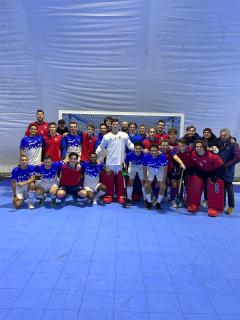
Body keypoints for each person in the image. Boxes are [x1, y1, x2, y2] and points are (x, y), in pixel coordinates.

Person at [96, 118, 134, 204]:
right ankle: (109, 195)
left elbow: (130, 145)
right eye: (114, 124)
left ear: (119, 125)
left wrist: (139, 149)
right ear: (111, 125)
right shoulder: (106, 136)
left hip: (122, 163)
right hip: (110, 163)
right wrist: (95, 154)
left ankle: (121, 195)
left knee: (123, 179)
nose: (115, 126)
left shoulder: (124, 135)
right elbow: (101, 147)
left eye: (117, 124)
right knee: (109, 180)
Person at [187, 140, 225, 214]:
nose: (198, 148)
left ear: (204, 147)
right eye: (197, 147)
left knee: (213, 185)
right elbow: (193, 163)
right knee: (194, 182)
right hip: (201, 171)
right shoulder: (193, 154)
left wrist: (216, 176)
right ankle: (194, 204)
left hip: (212, 172)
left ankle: (214, 207)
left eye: (200, 147)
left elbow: (222, 167)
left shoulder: (212, 155)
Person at [217, 128, 240, 214]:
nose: (223, 137)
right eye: (221, 135)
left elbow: (237, 158)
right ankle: (222, 205)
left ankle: (231, 206)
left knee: (229, 188)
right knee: (221, 188)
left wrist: (227, 165)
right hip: (219, 169)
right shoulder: (218, 143)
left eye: (225, 135)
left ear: (229, 135)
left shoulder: (234, 144)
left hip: (228, 170)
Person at [159, 139, 186, 207]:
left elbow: (176, 157)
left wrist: (181, 163)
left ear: (168, 146)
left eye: (166, 145)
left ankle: (172, 199)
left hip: (170, 171)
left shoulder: (171, 152)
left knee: (174, 184)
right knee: (158, 184)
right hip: (160, 171)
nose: (164, 147)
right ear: (160, 146)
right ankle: (156, 197)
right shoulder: (157, 152)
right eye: (163, 145)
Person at [143, 143, 168, 210]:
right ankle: (149, 202)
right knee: (146, 185)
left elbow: (165, 169)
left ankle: (158, 203)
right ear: (149, 150)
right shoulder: (146, 156)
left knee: (163, 186)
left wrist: (163, 181)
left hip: (160, 169)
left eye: (155, 150)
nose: (153, 152)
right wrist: (146, 181)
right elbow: (144, 169)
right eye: (152, 150)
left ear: (158, 150)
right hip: (150, 169)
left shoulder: (163, 157)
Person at [125, 141, 145, 205]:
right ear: (134, 148)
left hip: (141, 167)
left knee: (143, 183)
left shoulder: (144, 154)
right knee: (130, 183)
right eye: (136, 148)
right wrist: (124, 172)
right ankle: (129, 198)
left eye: (139, 149)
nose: (138, 150)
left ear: (141, 149)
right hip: (132, 167)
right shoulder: (129, 154)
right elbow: (125, 163)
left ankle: (146, 199)